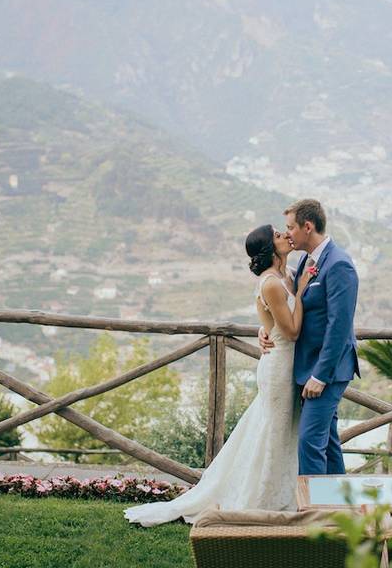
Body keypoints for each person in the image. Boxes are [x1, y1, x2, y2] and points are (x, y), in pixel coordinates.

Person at [124, 224, 313, 527]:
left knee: (281, 431)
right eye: (278, 235)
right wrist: (301, 293)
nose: (285, 236)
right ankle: (262, 499)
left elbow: (269, 321)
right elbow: (290, 331)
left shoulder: (287, 275)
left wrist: (263, 329)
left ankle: (286, 494)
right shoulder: (272, 284)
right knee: (273, 431)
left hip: (289, 363)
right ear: (268, 248)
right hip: (278, 366)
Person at [259, 198, 360, 475]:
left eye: (290, 227)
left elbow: (339, 327)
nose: (287, 233)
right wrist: (267, 328)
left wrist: (320, 376)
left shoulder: (339, 265)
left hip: (327, 371)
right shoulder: (306, 260)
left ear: (307, 226)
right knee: (327, 441)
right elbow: (285, 302)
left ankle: (313, 512)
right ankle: (339, 508)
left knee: (310, 443)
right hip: (308, 367)